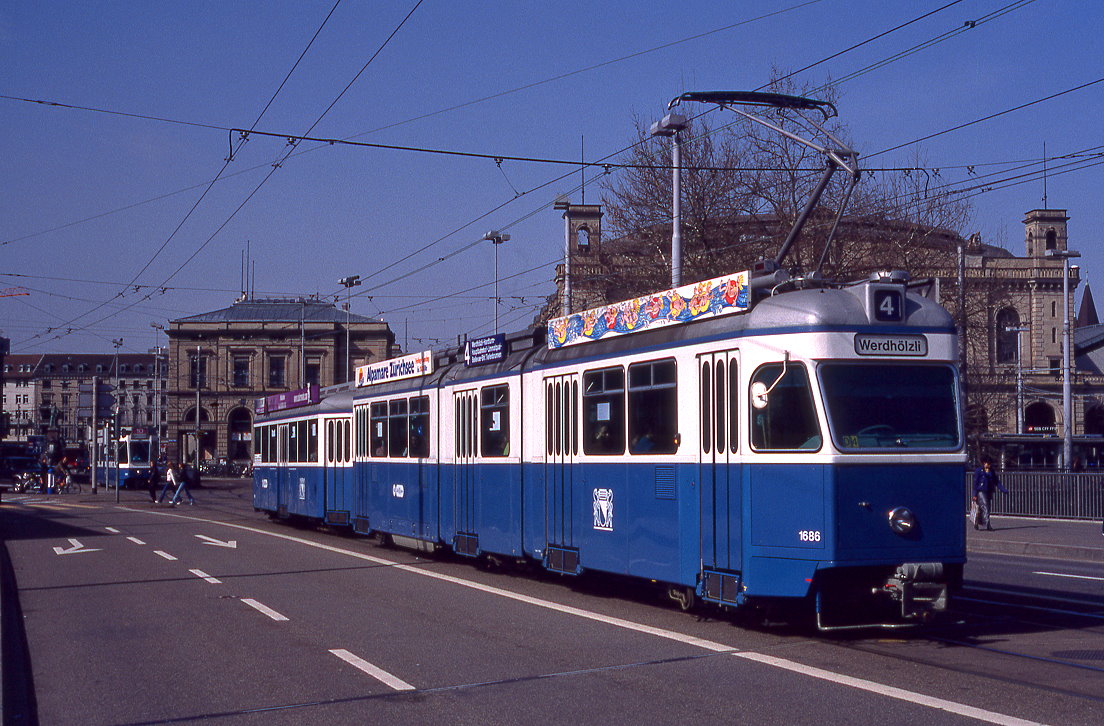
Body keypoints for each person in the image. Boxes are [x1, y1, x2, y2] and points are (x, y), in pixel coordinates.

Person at [972, 458, 1007, 531]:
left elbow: (996, 481)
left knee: (983, 508)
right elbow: (975, 483)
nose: (988, 465)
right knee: (985, 507)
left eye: (989, 463)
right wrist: (974, 494)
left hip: (989, 491)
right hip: (980, 491)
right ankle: (987, 524)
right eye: (987, 463)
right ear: (984, 463)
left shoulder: (992, 471)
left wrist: (1003, 489)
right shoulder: (979, 471)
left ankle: (977, 522)